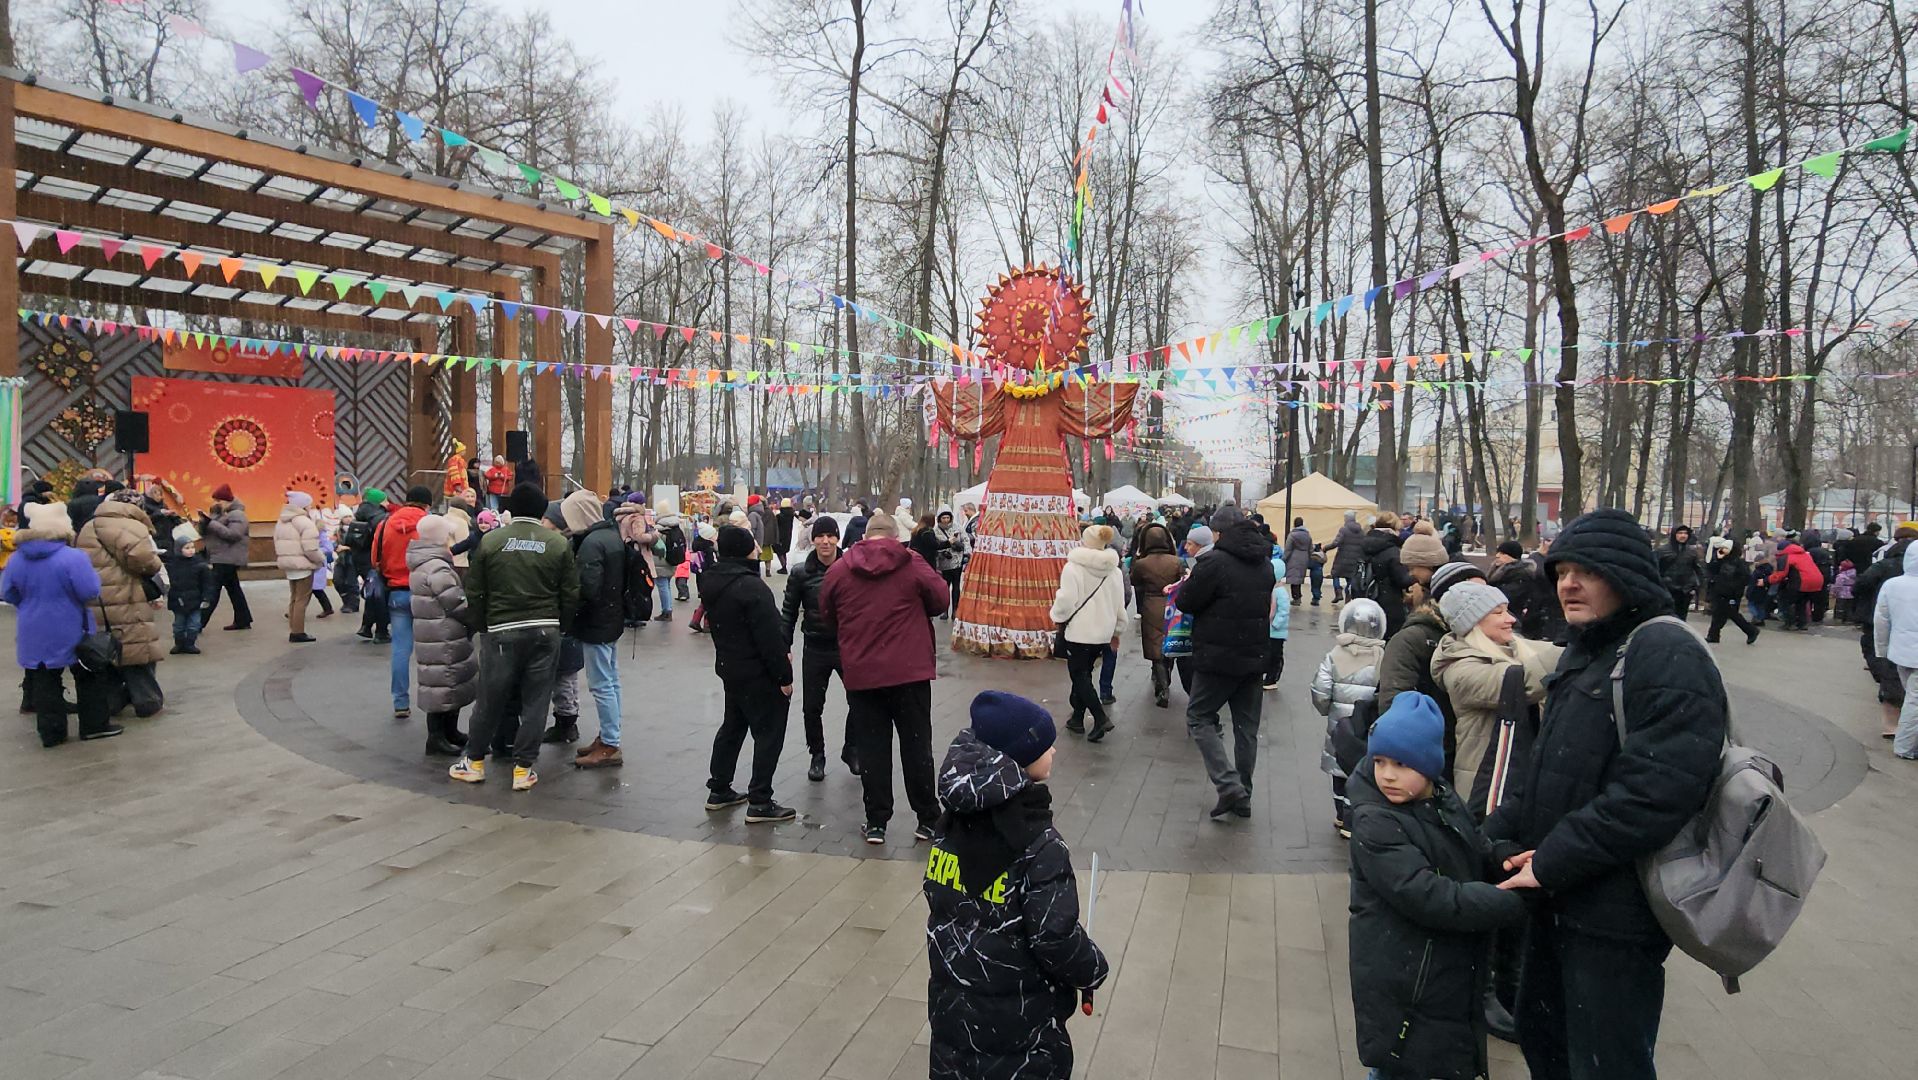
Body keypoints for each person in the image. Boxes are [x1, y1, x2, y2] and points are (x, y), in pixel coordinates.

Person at [1487, 508, 1728, 1080]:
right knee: (1546, 1046)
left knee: (1604, 1062)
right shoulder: (1586, 650)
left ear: (1625, 576)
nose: (1567, 584)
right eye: (1561, 570)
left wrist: (1554, 858)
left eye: (1585, 571)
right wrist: (1501, 832)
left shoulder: (1665, 654)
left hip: (1614, 915)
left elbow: (1655, 792)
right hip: (1555, 899)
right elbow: (1549, 764)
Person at [923, 691, 1108, 1080]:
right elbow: (1054, 938)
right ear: (1016, 759)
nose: (1055, 750)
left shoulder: (951, 823)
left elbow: (941, 901)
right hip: (1020, 1029)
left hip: (953, 1017)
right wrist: (1091, 967)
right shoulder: (1039, 843)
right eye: (1043, 744)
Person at [1347, 691, 1528, 1080]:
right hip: (1405, 981)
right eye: (1379, 761)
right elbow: (1429, 896)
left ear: (1429, 767)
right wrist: (1512, 901)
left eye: (1401, 763)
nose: (1388, 774)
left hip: (1435, 974)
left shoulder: (1441, 799)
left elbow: (1472, 843)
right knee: (1401, 1063)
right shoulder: (1376, 822)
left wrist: (1501, 858)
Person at [818, 510, 949, 845]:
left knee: (874, 749)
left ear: (864, 538)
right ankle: (928, 819)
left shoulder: (841, 569)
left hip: (864, 674)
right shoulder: (912, 561)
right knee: (917, 746)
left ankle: (877, 821)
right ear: (894, 537)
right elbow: (940, 599)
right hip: (910, 672)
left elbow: (826, 611)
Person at [452, 484, 578, 792]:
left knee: (490, 697)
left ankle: (475, 762)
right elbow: (571, 592)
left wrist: (483, 624)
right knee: (536, 700)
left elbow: (475, 590)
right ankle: (523, 769)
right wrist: (561, 624)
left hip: (501, 629)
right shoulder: (557, 544)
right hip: (545, 629)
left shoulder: (491, 541)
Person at [1174, 503, 1276, 821]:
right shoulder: (1265, 563)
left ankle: (1229, 785)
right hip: (1254, 656)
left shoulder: (1213, 562)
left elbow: (1186, 601)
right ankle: (1243, 794)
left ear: (1218, 533)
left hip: (1217, 658)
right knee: (1247, 729)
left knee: (1199, 717)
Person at [1430, 581, 1562, 805]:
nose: (1511, 618)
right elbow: (1522, 684)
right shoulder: (1460, 670)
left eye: (1507, 610)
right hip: (1486, 786)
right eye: (1498, 613)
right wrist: (1579, 648)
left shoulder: (1513, 647)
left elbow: (1550, 651)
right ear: (1473, 624)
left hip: (1519, 776)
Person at [5, 502, 122, 746]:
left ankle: (52, 732)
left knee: (44, 678)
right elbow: (89, 590)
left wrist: (28, 604)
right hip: (72, 624)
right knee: (88, 672)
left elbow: (7, 592)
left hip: (32, 626)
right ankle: (94, 726)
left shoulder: (17, 558)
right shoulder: (73, 557)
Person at [702, 524, 797, 821]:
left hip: (731, 668)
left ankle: (719, 787)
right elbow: (769, 637)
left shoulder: (711, 580)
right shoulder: (752, 587)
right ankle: (760, 799)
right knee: (769, 734)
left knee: (732, 726)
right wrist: (784, 676)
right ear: (745, 548)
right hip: (759, 673)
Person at [1378, 562, 1488, 783]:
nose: (1485, 600)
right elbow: (1394, 703)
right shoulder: (1413, 640)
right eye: (1475, 593)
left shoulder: (1484, 638)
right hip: (1434, 756)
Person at [550, 489, 627, 768]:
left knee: (601, 684)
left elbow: (588, 588)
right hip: (610, 619)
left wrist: (568, 605)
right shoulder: (610, 535)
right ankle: (609, 736)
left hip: (596, 622)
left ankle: (610, 742)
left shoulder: (591, 542)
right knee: (610, 680)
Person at [77, 489, 165, 717]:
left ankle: (112, 702)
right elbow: (144, 560)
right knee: (136, 646)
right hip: (127, 594)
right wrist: (156, 563)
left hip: (98, 600)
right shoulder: (132, 527)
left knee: (109, 649)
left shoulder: (88, 526)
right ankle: (147, 701)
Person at [783, 516, 858, 783]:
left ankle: (852, 749)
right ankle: (817, 754)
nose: (825, 542)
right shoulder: (801, 572)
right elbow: (789, 611)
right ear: (813, 539)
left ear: (838, 539)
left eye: (831, 536)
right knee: (812, 707)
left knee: (859, 701)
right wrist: (785, 646)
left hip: (846, 646)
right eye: (820, 536)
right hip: (815, 646)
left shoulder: (851, 568)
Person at [1311, 598, 1386, 836]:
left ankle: (1342, 816)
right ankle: (1357, 817)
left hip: (1340, 725)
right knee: (1365, 770)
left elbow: (1320, 692)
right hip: (1370, 727)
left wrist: (1328, 711)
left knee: (1340, 769)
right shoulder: (1383, 656)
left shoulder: (1334, 655)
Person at [1050, 524, 1127, 742]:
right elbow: (1119, 605)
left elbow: (1065, 600)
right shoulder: (1114, 571)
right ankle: (1077, 718)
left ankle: (1101, 718)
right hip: (1102, 633)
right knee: (1085, 674)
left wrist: (1057, 616)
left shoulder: (1073, 568)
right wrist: (1117, 630)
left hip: (1079, 633)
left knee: (1079, 676)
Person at [408, 514, 475, 757]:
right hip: (443, 634)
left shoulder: (422, 563)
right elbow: (454, 601)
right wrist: (473, 614)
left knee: (443, 682)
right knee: (442, 683)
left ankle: (449, 732)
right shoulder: (436, 566)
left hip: (434, 633)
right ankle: (437, 738)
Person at [372, 488, 432, 718]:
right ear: (426, 504)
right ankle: (432, 701)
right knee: (430, 651)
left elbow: (374, 558)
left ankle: (400, 702)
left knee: (400, 648)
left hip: (396, 592)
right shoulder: (429, 524)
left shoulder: (385, 524)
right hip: (425, 592)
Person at [1855, 522, 1918, 735]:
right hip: (1909, 629)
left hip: (1884, 623)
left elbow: (1862, 584)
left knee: (1889, 671)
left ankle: (1892, 723)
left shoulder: (1885, 564)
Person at [1130, 521, 1184, 708]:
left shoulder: (1142, 564)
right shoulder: (1176, 561)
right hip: (1172, 605)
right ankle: (1166, 676)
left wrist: (1138, 557)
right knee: (1170, 643)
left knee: (1155, 646)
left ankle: (1163, 686)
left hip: (1151, 604)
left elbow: (1134, 580)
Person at [1874, 541, 1918, 759]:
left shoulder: (1892, 585)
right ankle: (1906, 746)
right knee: (1914, 700)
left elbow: (1882, 621)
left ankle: (1908, 743)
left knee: (1912, 697)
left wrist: (1881, 650)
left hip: (1900, 652)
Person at [273, 491, 325, 644]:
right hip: (303, 564)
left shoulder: (282, 521)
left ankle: (293, 628)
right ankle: (298, 632)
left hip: (289, 564)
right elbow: (311, 548)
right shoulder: (304, 522)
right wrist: (321, 560)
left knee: (294, 597)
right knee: (302, 599)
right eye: (309, 504)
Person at [200, 484, 254, 631]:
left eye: (219, 501)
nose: (216, 503)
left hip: (227, 558)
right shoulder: (220, 513)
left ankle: (197, 624)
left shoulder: (237, 515)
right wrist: (205, 522)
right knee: (233, 588)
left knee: (212, 591)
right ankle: (243, 619)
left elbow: (233, 535)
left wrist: (211, 523)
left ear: (227, 501)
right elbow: (208, 532)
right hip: (221, 556)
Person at [1359, 512, 1418, 639]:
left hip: (1365, 598)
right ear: (1393, 529)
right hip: (1389, 602)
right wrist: (1416, 576)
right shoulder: (1392, 550)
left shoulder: (1364, 544)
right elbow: (1402, 579)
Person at [161, 524, 214, 655]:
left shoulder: (200, 565)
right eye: (187, 548)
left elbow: (207, 583)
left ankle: (190, 643)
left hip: (195, 600)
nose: (191, 550)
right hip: (178, 600)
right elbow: (169, 582)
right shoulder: (173, 565)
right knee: (178, 625)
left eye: (192, 547)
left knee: (194, 624)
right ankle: (179, 643)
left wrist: (206, 598)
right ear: (179, 549)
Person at [1703, 537, 1761, 645]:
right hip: (1719, 591)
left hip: (1732, 594)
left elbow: (1745, 578)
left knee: (1732, 614)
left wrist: (1733, 587)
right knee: (1717, 613)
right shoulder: (1720, 560)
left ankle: (1751, 630)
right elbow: (1711, 570)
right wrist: (1717, 559)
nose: (1723, 550)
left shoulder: (1739, 563)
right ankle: (1713, 635)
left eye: (1725, 548)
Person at [351, 489, 391, 643]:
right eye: (385, 500)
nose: (387, 504)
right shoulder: (378, 516)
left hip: (361, 559)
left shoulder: (361, 512)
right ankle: (381, 630)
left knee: (373, 593)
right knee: (380, 595)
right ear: (378, 502)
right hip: (373, 561)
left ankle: (366, 627)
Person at [616, 494, 661, 626]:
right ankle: (634, 614)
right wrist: (654, 536)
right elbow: (639, 536)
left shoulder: (622, 516)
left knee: (630, 584)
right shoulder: (637, 518)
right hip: (639, 555)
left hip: (627, 552)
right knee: (640, 586)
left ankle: (628, 613)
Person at [1487, 539, 1543, 639]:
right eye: (1498, 552)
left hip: (1513, 619)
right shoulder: (1498, 571)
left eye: (1502, 553)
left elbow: (1507, 597)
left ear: (1511, 556)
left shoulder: (1520, 574)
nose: (1497, 555)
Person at [1768, 537, 1823, 631]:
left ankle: (1790, 623)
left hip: (1802, 582)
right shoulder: (1805, 554)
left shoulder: (1786, 557)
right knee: (1801, 602)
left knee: (1786, 601)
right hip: (1817, 581)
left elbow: (1780, 574)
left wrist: (1767, 580)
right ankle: (1802, 623)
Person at [1656, 525, 1703, 620]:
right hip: (1667, 590)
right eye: (1680, 533)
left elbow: (1698, 570)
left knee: (1681, 618)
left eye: (1685, 533)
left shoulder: (1691, 551)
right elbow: (1654, 569)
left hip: (1685, 591)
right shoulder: (1662, 551)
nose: (1683, 535)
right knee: (1666, 617)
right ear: (1674, 534)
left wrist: (1695, 586)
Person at [1265, 545, 1291, 690]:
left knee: (1275, 656)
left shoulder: (1280, 592)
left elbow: (1284, 611)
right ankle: (1268, 676)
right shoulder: (1272, 590)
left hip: (1277, 631)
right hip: (1269, 630)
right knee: (1268, 654)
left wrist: (1275, 624)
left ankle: (1272, 678)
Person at [933, 509, 968, 614]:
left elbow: (965, 540)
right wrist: (941, 553)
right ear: (939, 518)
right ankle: (945, 610)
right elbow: (934, 545)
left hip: (957, 560)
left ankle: (955, 610)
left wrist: (966, 553)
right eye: (943, 518)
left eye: (947, 518)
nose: (946, 520)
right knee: (945, 587)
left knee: (956, 587)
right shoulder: (936, 530)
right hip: (944, 562)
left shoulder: (957, 527)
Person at [1326, 509, 1365, 604]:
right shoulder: (1361, 531)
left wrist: (1325, 548)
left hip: (1342, 557)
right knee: (1350, 578)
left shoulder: (1344, 529)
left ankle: (1338, 592)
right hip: (1355, 558)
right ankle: (1348, 594)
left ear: (1347, 519)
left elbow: (1336, 542)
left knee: (1335, 574)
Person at [1280, 517, 1312, 605]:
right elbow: (1311, 549)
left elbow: (1288, 549)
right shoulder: (1307, 535)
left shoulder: (1292, 535)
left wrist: (1283, 559)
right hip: (1304, 558)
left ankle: (1296, 597)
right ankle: (1298, 596)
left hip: (1294, 558)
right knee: (1299, 578)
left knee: (1294, 579)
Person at [774, 498, 797, 573]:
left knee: (779, 551)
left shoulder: (779, 516)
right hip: (788, 535)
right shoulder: (791, 514)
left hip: (780, 536)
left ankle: (783, 567)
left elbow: (776, 525)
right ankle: (784, 566)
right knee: (783, 551)